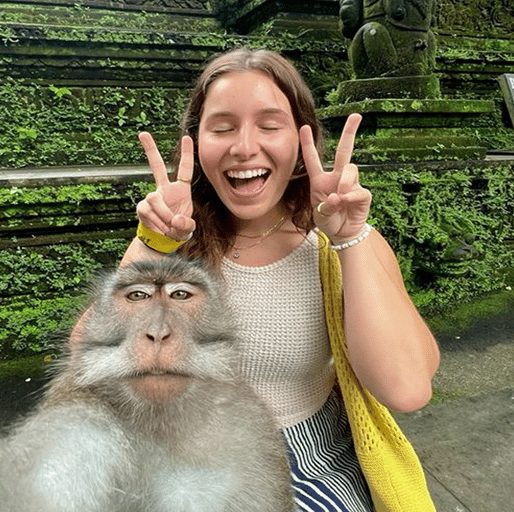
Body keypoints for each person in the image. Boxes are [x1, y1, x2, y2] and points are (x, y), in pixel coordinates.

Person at [112, 47, 439, 511]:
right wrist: (150, 245)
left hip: (309, 461)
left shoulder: (336, 248)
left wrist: (350, 238)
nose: (244, 147)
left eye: (270, 125)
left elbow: (406, 390)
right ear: (197, 141)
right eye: (222, 127)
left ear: (302, 141)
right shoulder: (172, 243)